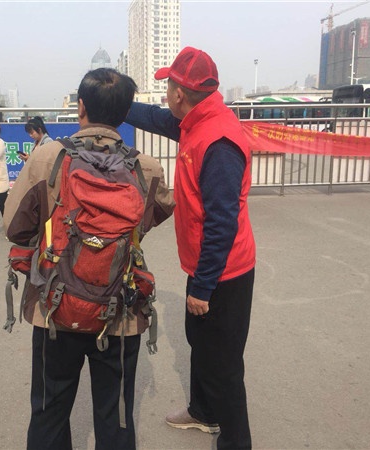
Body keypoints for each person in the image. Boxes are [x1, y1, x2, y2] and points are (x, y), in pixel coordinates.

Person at [3, 68, 175, 450]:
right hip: (120, 310)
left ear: (80, 107)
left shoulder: (48, 157)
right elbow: (159, 212)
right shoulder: (146, 168)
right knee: (116, 418)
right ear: (125, 112)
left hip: (54, 307)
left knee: (49, 412)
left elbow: (14, 227)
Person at [124, 47, 256, 449]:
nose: (165, 93)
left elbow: (222, 223)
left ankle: (236, 441)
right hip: (203, 264)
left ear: (180, 93)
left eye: (168, 86)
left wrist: (203, 286)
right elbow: (153, 117)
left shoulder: (219, 142)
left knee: (224, 364)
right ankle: (203, 410)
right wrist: (114, 103)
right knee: (200, 341)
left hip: (224, 272)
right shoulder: (195, 120)